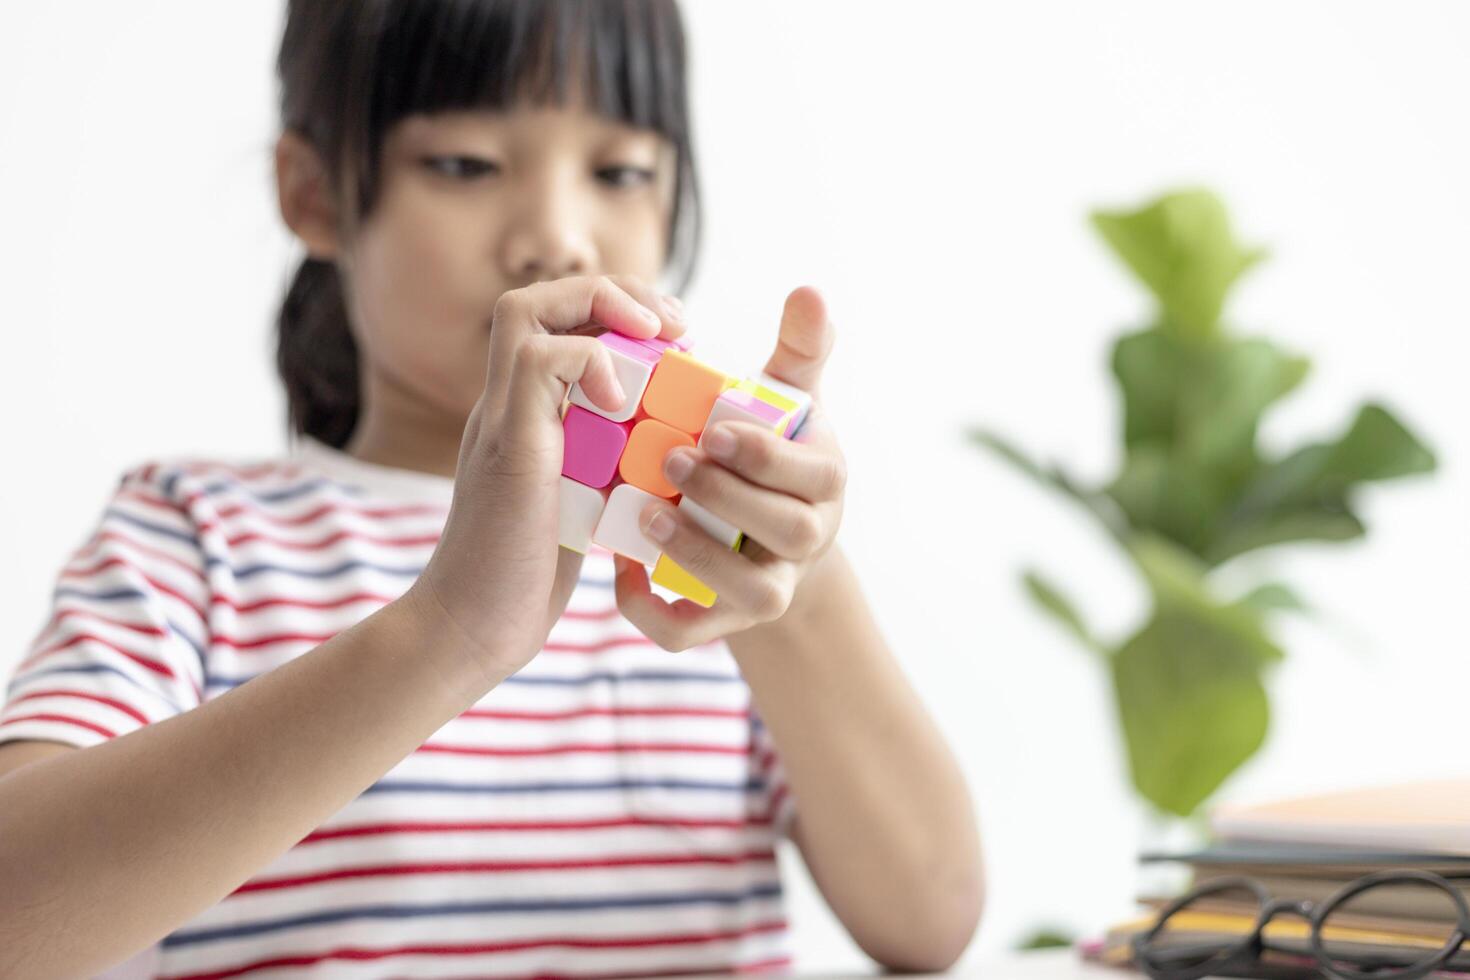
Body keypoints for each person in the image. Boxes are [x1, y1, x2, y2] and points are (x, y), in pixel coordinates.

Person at [0, 2, 982, 976]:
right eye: (464, 163)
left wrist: (796, 586)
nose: (557, 238)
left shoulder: (711, 560)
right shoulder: (194, 530)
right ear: (313, 193)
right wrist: (451, 633)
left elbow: (929, 919)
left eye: (620, 171)